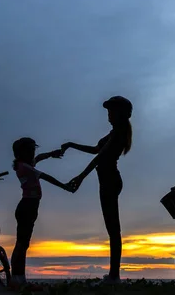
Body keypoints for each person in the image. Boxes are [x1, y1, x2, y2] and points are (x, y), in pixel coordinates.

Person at [61, 95, 133, 285]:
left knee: (113, 230)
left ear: (120, 113)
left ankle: (114, 277)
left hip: (109, 181)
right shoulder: (115, 132)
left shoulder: (119, 132)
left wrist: (81, 176)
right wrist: (71, 145)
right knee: (113, 229)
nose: (108, 114)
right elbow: (96, 150)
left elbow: (100, 157)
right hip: (108, 180)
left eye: (111, 110)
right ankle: (113, 275)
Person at [10, 137, 73, 291]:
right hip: (27, 207)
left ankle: (17, 279)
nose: (33, 152)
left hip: (30, 207)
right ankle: (18, 280)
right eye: (30, 149)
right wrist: (64, 186)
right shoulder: (24, 167)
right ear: (20, 153)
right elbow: (44, 176)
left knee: (23, 243)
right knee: (21, 244)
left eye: (33, 149)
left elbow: (39, 158)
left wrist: (52, 154)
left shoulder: (26, 164)